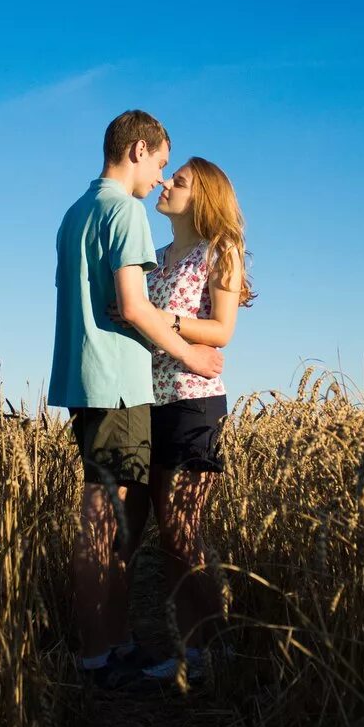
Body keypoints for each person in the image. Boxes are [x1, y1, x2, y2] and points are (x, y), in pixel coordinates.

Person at [48, 110, 224, 689]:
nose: (161, 176)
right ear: (138, 149)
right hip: (118, 383)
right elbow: (132, 305)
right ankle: (102, 656)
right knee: (106, 525)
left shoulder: (77, 213)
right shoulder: (124, 211)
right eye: (161, 162)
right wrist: (194, 355)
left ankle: (115, 643)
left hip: (86, 381)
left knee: (114, 521)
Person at [111, 156, 254, 684]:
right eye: (169, 177)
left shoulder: (221, 251)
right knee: (154, 532)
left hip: (194, 401)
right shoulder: (155, 253)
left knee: (181, 528)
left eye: (181, 181)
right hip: (145, 401)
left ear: (205, 197)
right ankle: (183, 652)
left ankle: (219, 650)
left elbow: (221, 331)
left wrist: (161, 318)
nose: (166, 184)